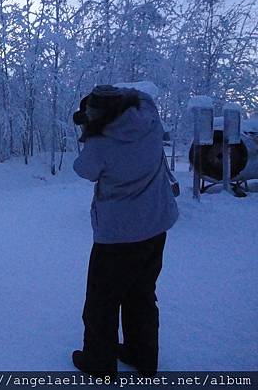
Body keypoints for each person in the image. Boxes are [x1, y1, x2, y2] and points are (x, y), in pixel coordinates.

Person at [71, 85, 179, 378]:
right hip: (155, 226)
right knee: (142, 294)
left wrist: (90, 133)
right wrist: (121, 95)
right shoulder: (150, 120)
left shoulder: (100, 144)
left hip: (117, 237)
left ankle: (99, 363)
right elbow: (142, 95)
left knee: (101, 302)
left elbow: (83, 170)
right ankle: (142, 356)